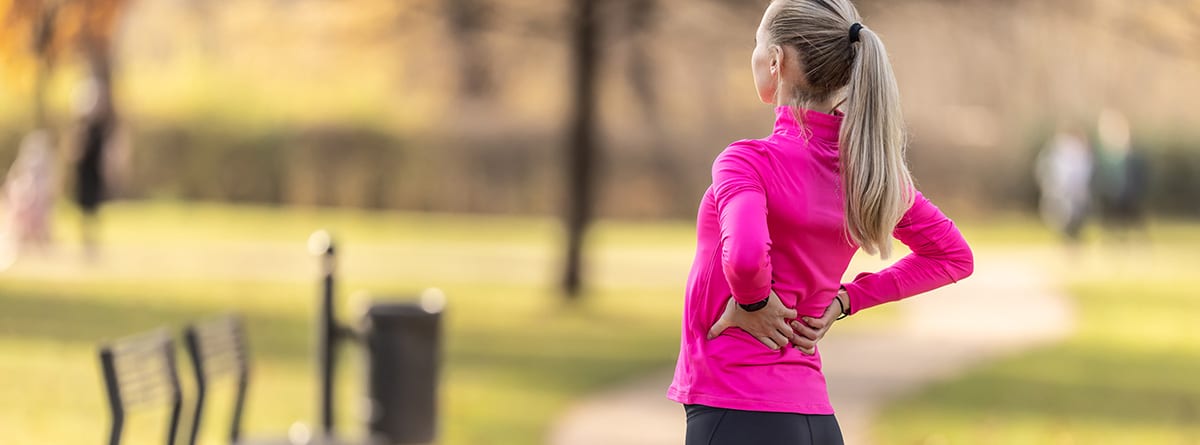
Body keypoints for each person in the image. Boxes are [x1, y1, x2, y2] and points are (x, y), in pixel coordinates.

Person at [666, 1, 974, 443]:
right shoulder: (870, 172)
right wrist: (847, 300)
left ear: (776, 61)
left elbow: (748, 258)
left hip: (735, 410)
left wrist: (752, 303)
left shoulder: (746, 162)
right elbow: (953, 256)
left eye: (757, 43)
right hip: (816, 422)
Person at [1035, 123, 1092, 242]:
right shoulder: (1057, 151)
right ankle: (1067, 238)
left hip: (1074, 192)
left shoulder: (1079, 152)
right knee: (1063, 217)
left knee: (1075, 218)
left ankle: (1073, 237)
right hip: (1060, 191)